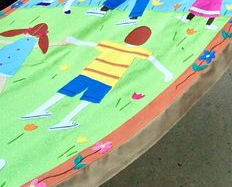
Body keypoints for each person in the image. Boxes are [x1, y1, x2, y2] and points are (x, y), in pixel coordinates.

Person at [21, 26, 173, 130]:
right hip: (107, 79)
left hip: (89, 73)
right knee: (88, 100)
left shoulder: (110, 45)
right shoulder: (141, 51)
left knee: (65, 92)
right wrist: (167, 73)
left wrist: (75, 41)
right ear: (144, 41)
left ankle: (40, 109)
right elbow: (154, 61)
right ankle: (65, 120)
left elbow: (89, 44)